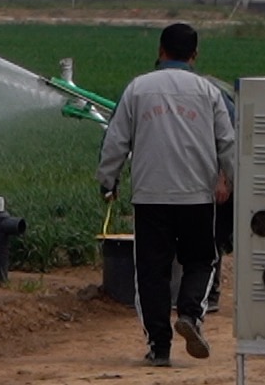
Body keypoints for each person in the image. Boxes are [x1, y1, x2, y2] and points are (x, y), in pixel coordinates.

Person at [96, 22, 236, 368]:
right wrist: (233, 182)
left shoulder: (138, 89)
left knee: (151, 271)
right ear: (195, 55)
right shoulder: (208, 93)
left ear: (160, 51)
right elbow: (228, 143)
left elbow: (116, 140)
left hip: (150, 196)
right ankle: (189, 313)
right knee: (201, 260)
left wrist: (108, 181)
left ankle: (159, 346)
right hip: (196, 197)